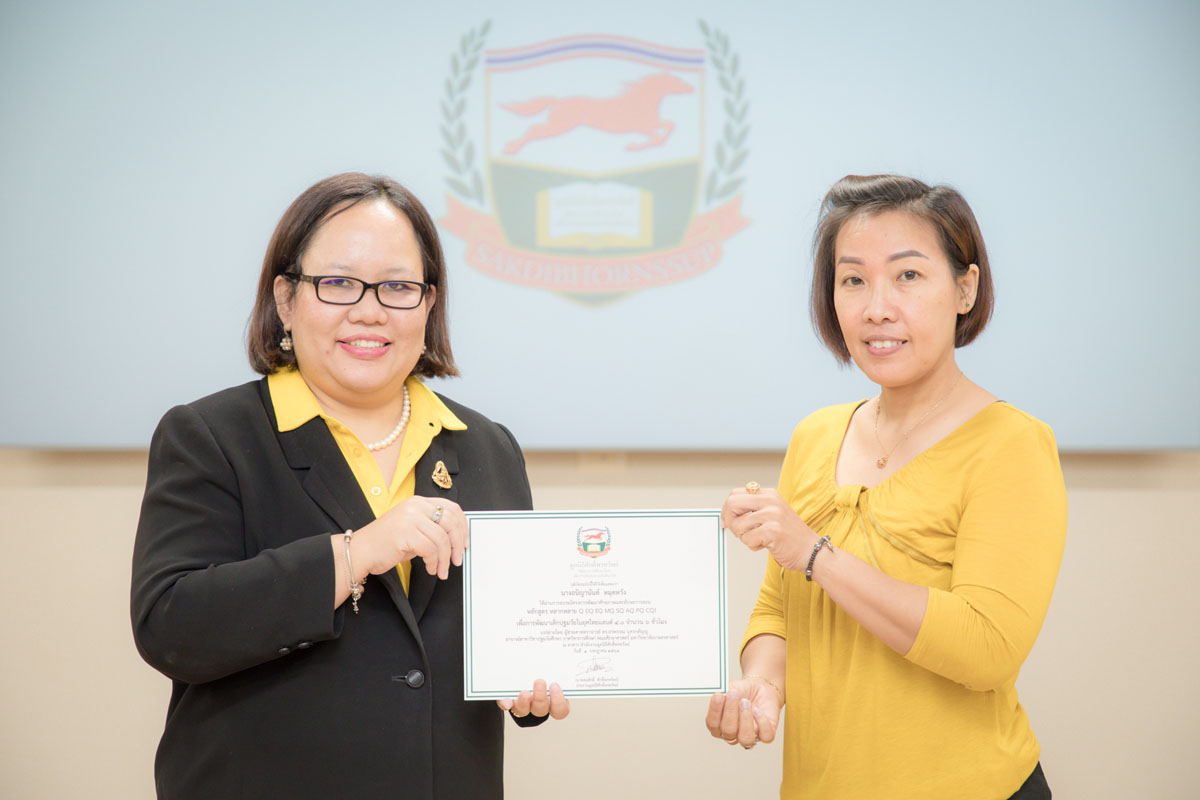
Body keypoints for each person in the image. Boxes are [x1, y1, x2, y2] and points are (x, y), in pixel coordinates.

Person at [131, 172, 568, 799]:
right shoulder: (211, 434)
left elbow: (510, 634)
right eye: (338, 283)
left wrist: (532, 679)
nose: (369, 310)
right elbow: (171, 627)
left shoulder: (486, 446)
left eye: (398, 287)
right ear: (286, 299)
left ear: (429, 304)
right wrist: (356, 552)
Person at [706, 175, 1066, 799]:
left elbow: (987, 649)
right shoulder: (815, 435)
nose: (877, 308)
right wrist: (763, 682)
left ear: (965, 288)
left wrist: (815, 554)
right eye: (853, 280)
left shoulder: (1011, 444)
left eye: (908, 275)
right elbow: (778, 610)